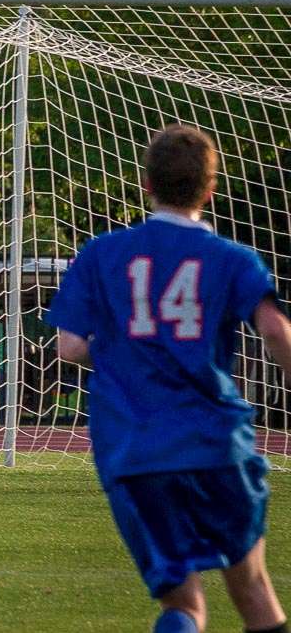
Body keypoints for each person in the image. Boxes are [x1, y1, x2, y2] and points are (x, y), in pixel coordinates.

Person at [46, 124, 291, 633]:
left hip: (135, 452)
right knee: (251, 587)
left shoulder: (101, 254)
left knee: (183, 607)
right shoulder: (232, 259)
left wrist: (127, 354)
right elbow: (277, 333)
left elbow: (68, 348)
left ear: (147, 184)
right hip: (215, 443)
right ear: (210, 188)